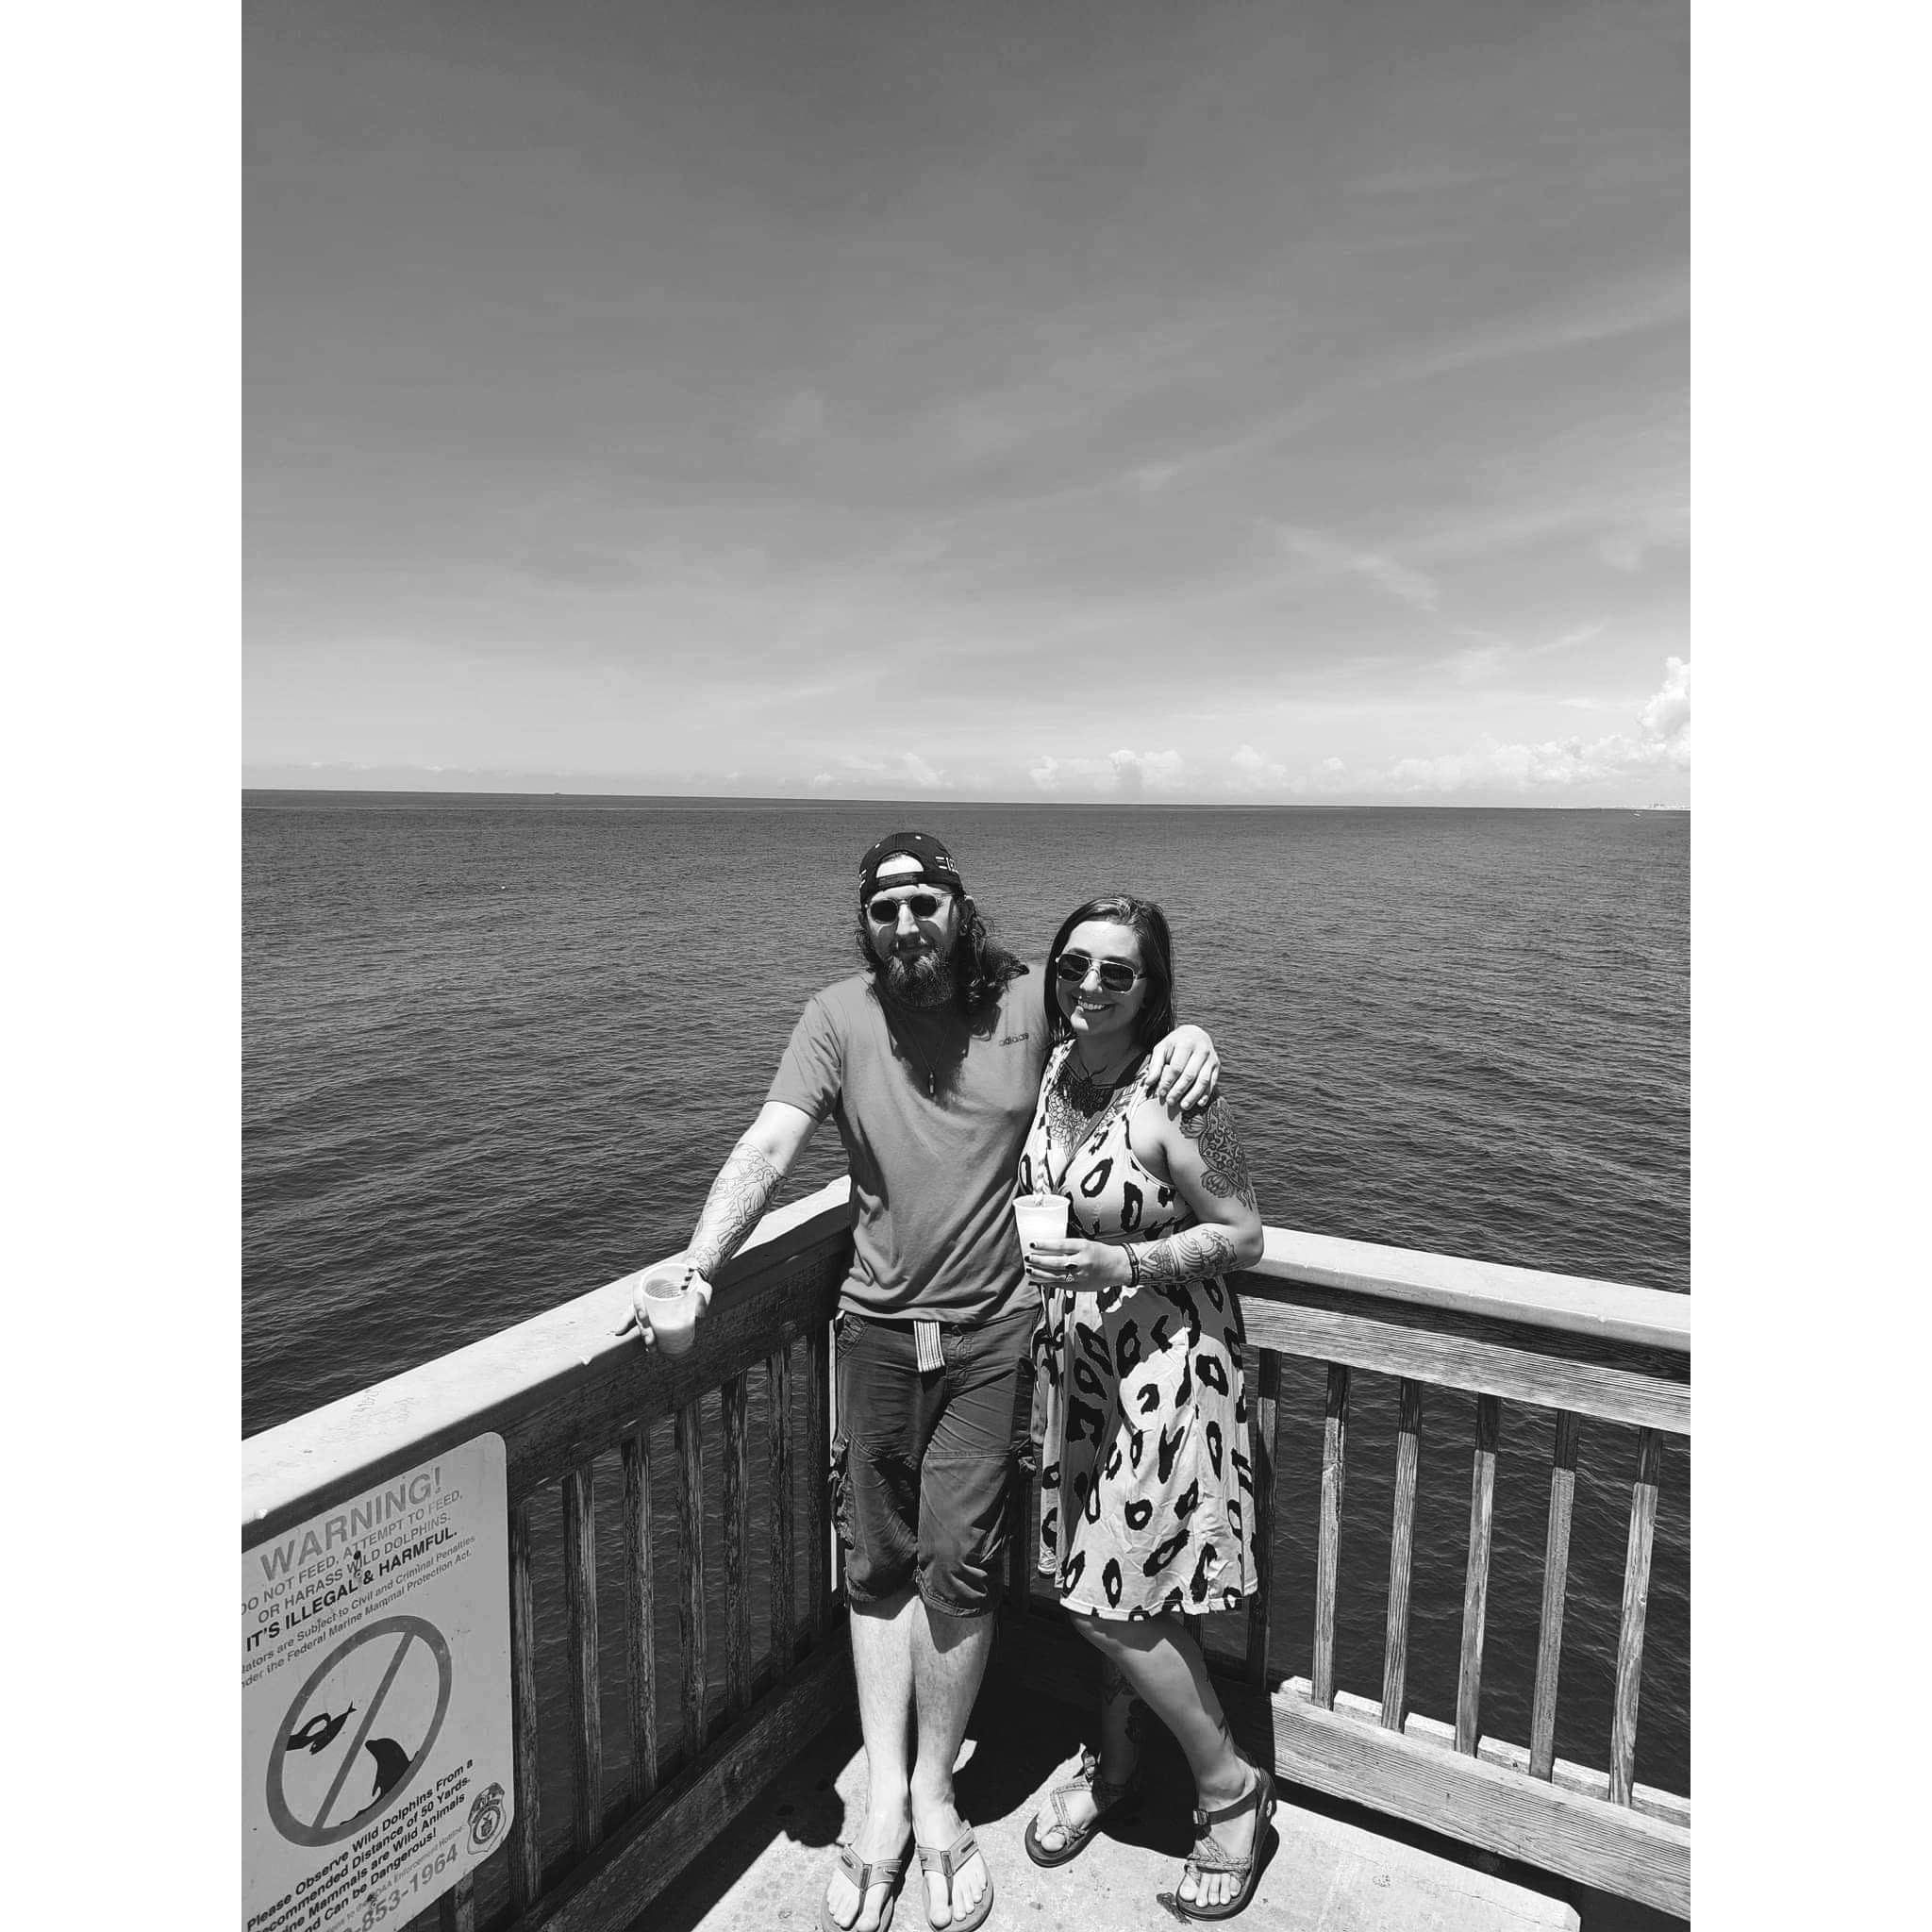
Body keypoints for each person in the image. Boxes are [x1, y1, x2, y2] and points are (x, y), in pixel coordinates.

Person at [620, 834, 1222, 1932]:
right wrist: (700, 1264)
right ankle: (884, 1798)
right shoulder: (835, 1016)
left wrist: (1190, 1037)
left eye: (924, 901)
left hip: (997, 1335)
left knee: (962, 1566)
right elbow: (766, 1145)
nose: (905, 923)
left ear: (958, 906)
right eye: (884, 906)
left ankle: (938, 1791)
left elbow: (1120, 1017)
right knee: (876, 1562)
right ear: (867, 922)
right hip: (875, 1330)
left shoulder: (1029, 997)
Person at [1015, 894, 1274, 1922]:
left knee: (1101, 1596)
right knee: (1121, 1584)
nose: (1089, 985)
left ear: (1150, 988)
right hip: (1081, 1372)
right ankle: (1117, 1759)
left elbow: (1245, 1235)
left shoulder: (1176, 1092)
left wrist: (1121, 1262)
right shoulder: (1057, 1070)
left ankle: (1230, 1788)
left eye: (1116, 972)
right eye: (1073, 964)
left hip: (1169, 1369)